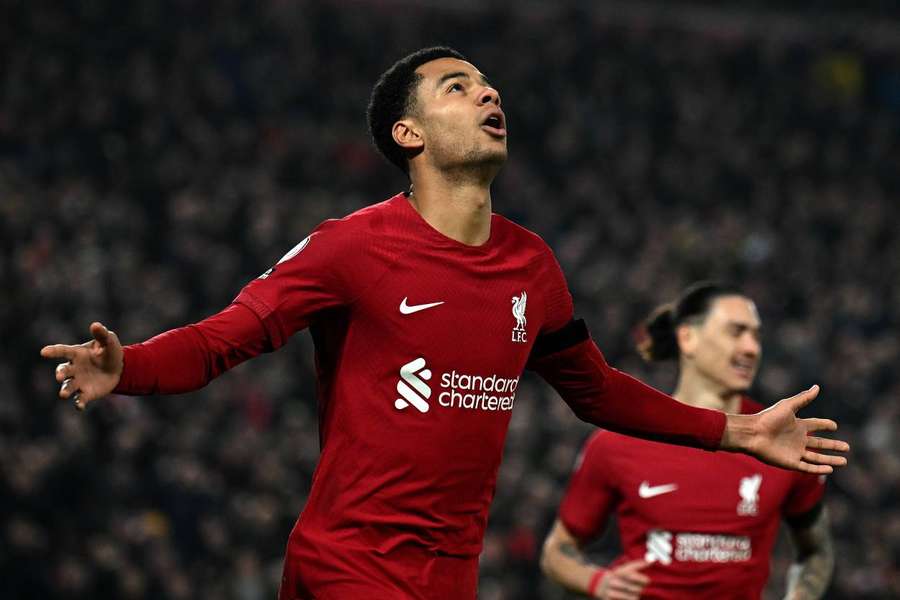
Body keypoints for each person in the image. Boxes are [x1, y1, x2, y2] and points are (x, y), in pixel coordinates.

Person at [40, 48, 847, 600]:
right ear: (410, 133)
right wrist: (129, 366)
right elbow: (228, 335)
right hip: (348, 565)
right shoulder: (350, 247)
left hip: (451, 575)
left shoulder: (532, 265)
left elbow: (597, 391)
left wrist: (735, 431)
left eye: (489, 85)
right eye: (459, 87)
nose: (490, 94)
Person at [540, 282, 835, 600]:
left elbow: (816, 552)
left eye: (756, 336)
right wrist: (597, 581)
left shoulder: (782, 443)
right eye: (736, 332)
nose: (752, 348)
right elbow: (556, 552)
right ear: (687, 338)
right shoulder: (616, 444)